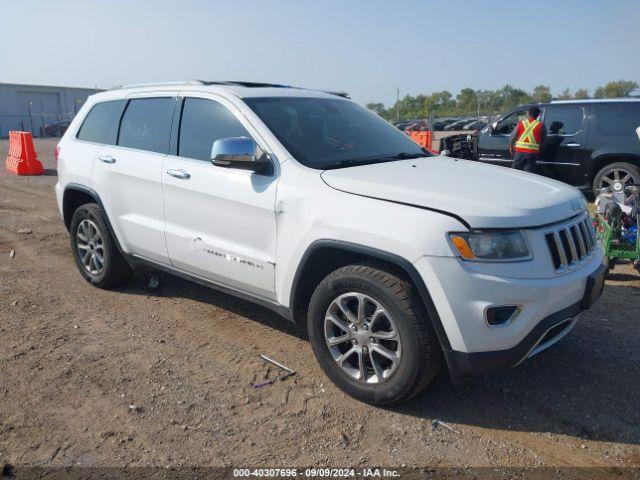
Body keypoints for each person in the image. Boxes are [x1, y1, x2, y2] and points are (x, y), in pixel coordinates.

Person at [510, 106, 545, 173]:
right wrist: (540, 150)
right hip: (532, 154)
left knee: (515, 173)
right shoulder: (541, 125)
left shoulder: (521, 123)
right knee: (529, 175)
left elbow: (513, 136)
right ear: (538, 115)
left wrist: (511, 146)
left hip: (519, 153)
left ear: (529, 113)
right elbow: (543, 141)